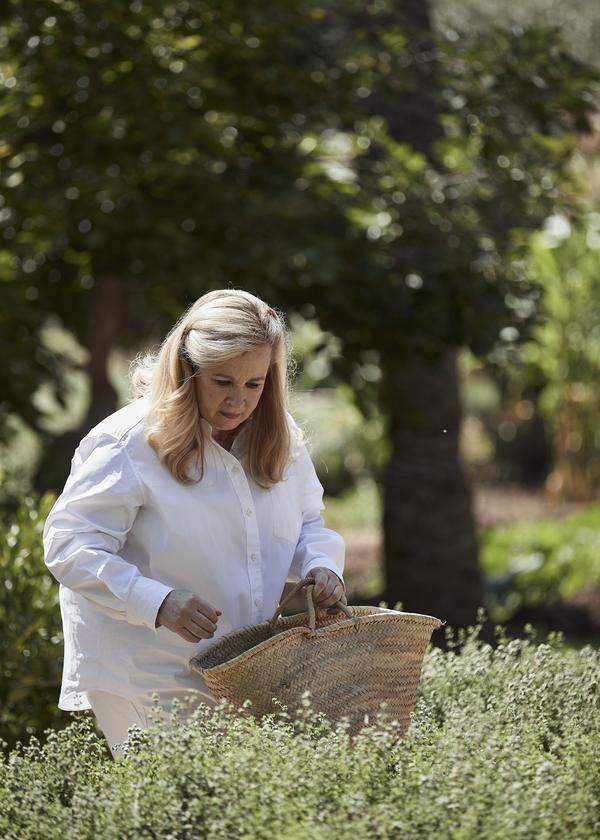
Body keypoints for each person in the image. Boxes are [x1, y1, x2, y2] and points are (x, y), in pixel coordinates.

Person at [43, 289, 347, 761]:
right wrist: (158, 602)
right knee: (177, 813)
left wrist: (323, 566)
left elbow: (309, 521)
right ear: (187, 369)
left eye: (254, 384)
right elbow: (69, 544)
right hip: (146, 665)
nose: (238, 401)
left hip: (246, 665)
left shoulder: (279, 434)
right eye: (222, 381)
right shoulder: (128, 442)